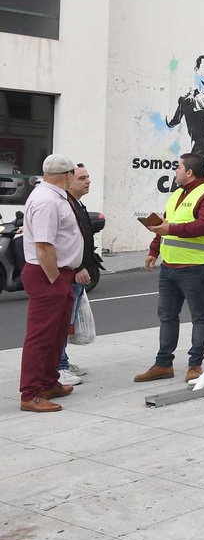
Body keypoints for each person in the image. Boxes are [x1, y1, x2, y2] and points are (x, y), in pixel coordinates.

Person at [136, 152, 204, 384]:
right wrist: (153, 251)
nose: (174, 171)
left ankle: (195, 365)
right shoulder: (176, 193)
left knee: (199, 317)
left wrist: (170, 229)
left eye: (178, 167)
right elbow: (164, 224)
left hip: (195, 267)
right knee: (167, 316)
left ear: (189, 172)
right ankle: (163, 363)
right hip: (169, 267)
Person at [18, 155, 85, 412]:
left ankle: (48, 382)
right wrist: (55, 281)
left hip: (58, 273)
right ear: (68, 175)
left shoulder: (56, 196)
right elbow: (44, 245)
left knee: (57, 335)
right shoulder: (47, 200)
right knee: (41, 337)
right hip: (48, 274)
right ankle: (31, 393)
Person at [57, 163, 102, 385]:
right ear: (69, 180)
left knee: (69, 320)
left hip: (78, 270)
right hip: (71, 272)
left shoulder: (77, 204)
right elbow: (66, 243)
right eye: (82, 178)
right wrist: (78, 268)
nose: (88, 181)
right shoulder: (65, 205)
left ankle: (62, 360)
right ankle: (59, 366)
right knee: (63, 322)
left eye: (88, 177)